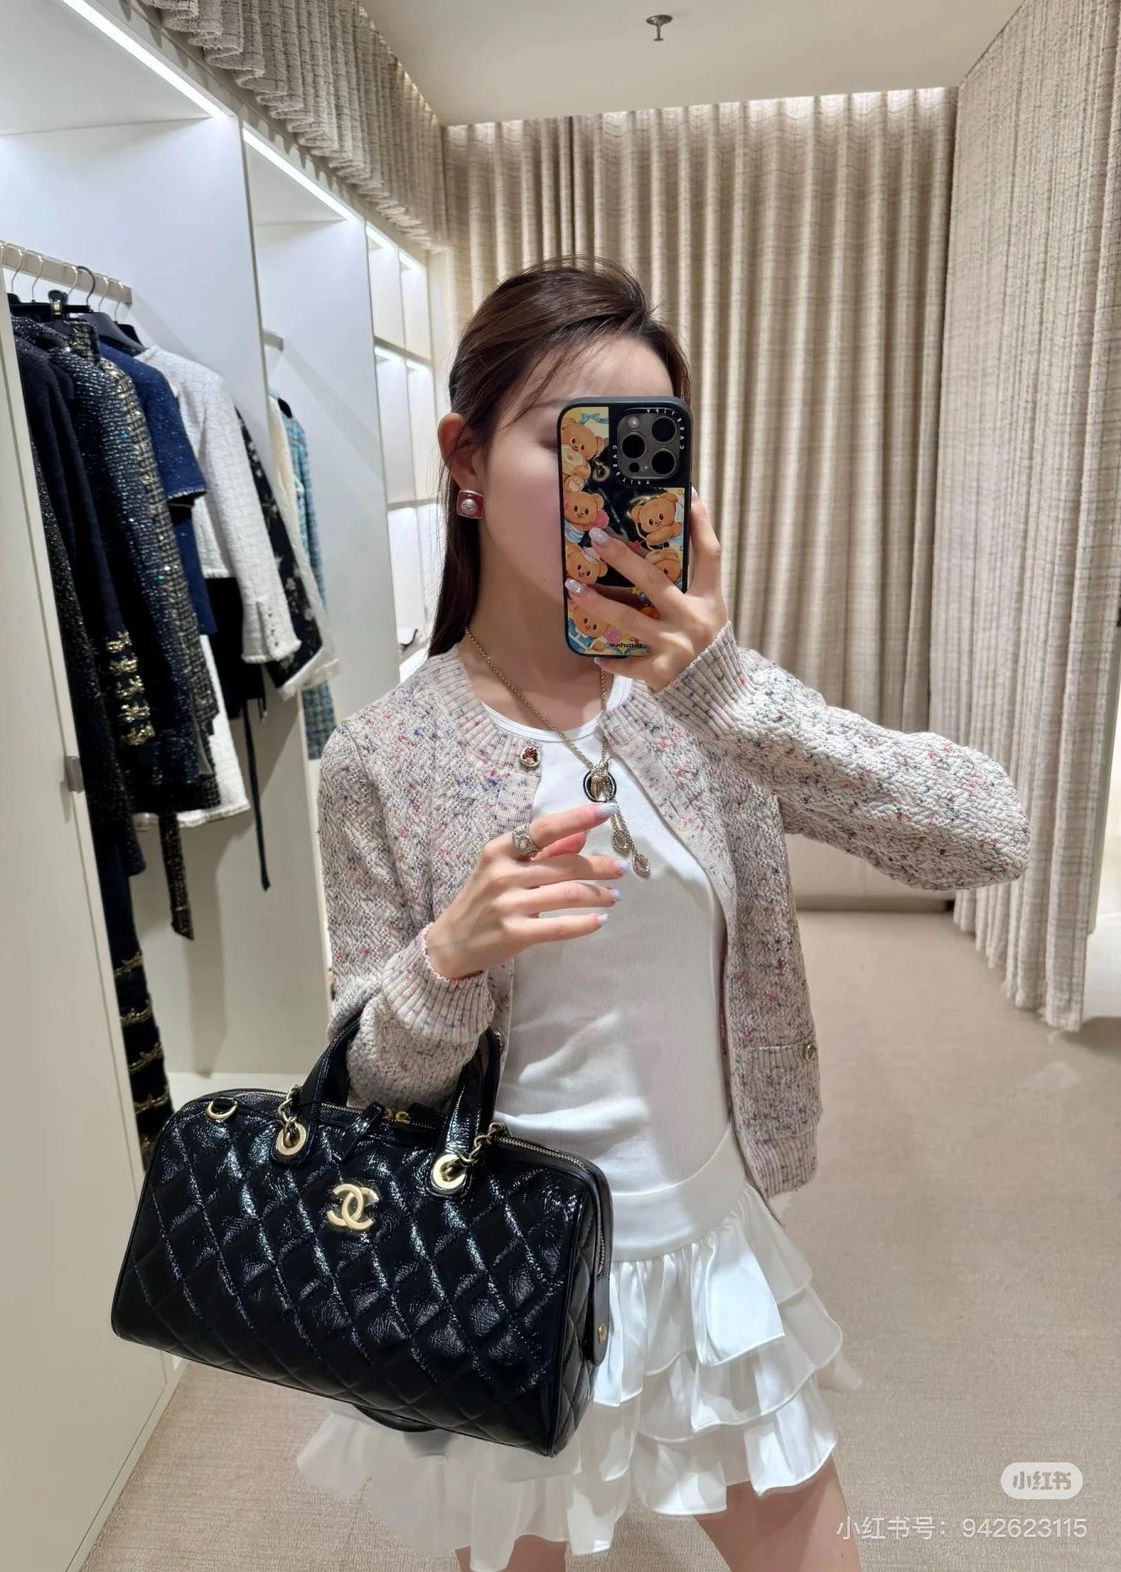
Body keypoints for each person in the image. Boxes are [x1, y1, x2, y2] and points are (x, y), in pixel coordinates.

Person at [295, 259, 1031, 1571]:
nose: (611, 482)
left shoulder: (708, 710)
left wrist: (728, 694)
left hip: (708, 1253)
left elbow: (988, 833)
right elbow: (366, 1079)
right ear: (465, 459)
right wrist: (448, 959)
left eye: (645, 445)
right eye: (565, 437)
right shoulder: (383, 759)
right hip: (496, 1263)